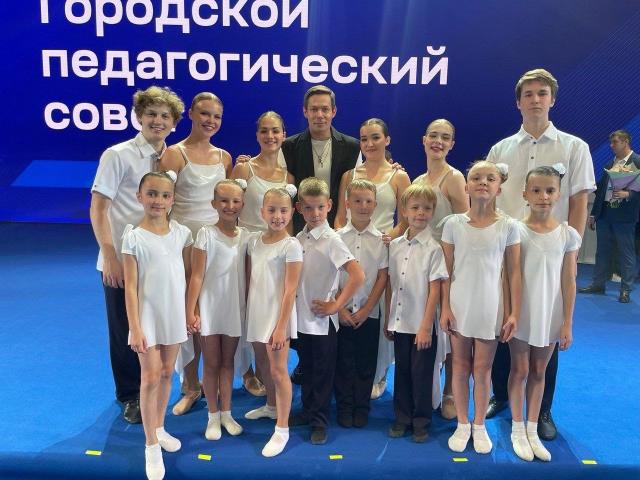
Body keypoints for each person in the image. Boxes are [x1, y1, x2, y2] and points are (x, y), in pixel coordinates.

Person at [486, 68, 596, 441]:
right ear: (518, 102)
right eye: (528, 94)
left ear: (553, 100)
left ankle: (543, 408)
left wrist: (572, 250)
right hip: (507, 253)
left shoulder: (574, 147)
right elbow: (490, 200)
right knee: (506, 324)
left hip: (552, 253)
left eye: (542, 93)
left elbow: (579, 202)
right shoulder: (501, 150)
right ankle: (501, 394)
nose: (535, 99)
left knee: (546, 328)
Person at [89, 86, 184, 424]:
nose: (158, 121)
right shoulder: (117, 155)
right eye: (152, 114)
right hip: (121, 258)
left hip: (159, 260)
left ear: (174, 122)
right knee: (125, 329)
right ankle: (130, 394)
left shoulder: (172, 158)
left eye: (165, 116)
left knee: (156, 325)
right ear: (139, 116)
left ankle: (157, 386)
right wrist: (109, 255)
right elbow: (99, 208)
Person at [159, 92, 236, 415]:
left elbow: (230, 203)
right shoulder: (173, 155)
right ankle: (190, 385)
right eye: (204, 113)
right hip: (183, 245)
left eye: (216, 116)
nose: (210, 121)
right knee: (186, 314)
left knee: (214, 312)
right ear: (190, 113)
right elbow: (162, 204)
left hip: (217, 245)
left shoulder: (225, 158)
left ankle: (218, 378)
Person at [440, 161, 521, 454]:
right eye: (476, 177)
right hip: (460, 304)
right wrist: (445, 307)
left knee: (483, 369)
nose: (483, 182)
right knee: (460, 366)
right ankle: (462, 423)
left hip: (490, 305)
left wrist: (513, 312)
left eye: (490, 178)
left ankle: (479, 424)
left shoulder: (509, 226)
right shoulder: (453, 224)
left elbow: (513, 273)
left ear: (499, 187)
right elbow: (445, 270)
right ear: (467, 186)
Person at [122, 171, 193, 480]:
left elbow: (188, 276)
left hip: (173, 313)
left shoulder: (182, 234)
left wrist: (189, 312)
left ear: (172, 199)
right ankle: (150, 446)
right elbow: (130, 288)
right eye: (151, 194)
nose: (158, 200)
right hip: (147, 316)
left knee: (166, 373)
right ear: (139, 196)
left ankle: (160, 427)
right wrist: (135, 327)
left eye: (165, 195)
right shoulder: (133, 237)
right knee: (150, 376)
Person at [334, 118, 411, 400]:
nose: (369, 143)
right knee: (350, 302)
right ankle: (346, 374)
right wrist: (341, 243)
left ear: (387, 140)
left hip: (383, 248)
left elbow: (405, 219)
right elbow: (340, 216)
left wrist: (385, 238)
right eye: (364, 138)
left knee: (378, 309)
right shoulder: (349, 175)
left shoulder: (399, 176)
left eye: (375, 137)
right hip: (351, 249)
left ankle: (378, 373)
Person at [509, 165, 581, 462]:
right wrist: (511, 313)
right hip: (522, 312)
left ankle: (532, 428)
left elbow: (569, 280)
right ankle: (517, 429)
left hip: (550, 313)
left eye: (550, 190)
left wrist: (567, 322)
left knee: (539, 371)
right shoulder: (515, 230)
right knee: (520, 370)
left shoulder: (568, 234)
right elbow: (510, 274)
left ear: (559, 194)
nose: (543, 196)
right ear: (525, 194)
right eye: (536, 191)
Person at [288, 177, 365, 445]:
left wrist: (336, 305)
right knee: (307, 369)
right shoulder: (298, 238)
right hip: (301, 318)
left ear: (330, 206)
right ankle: (307, 411)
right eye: (309, 208)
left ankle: (320, 421)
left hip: (322, 322)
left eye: (320, 207)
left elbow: (357, 275)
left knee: (322, 373)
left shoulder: (332, 240)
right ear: (299, 208)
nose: (315, 213)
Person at [185, 179, 250, 441]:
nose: (230, 206)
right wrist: (191, 310)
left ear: (242, 205)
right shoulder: (205, 234)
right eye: (224, 200)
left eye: (235, 201)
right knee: (211, 362)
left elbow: (249, 275)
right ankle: (212, 416)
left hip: (234, 308)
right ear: (213, 203)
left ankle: (227, 413)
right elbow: (196, 276)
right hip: (210, 308)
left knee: (227, 362)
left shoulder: (247, 237)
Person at [413, 118, 468, 420]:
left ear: (452, 144)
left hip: (449, 263)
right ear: (423, 140)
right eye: (433, 135)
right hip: (421, 264)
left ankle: (449, 392)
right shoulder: (418, 180)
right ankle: (425, 388)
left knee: (448, 329)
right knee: (427, 326)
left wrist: (456, 266)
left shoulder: (454, 178)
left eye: (445, 137)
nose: (438, 141)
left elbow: (465, 224)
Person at [385, 183, 448, 443]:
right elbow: (391, 284)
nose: (421, 212)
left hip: (421, 324)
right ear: (404, 211)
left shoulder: (434, 248)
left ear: (432, 212)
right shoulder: (395, 246)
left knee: (421, 374)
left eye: (426, 208)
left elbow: (435, 291)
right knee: (402, 371)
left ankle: (421, 420)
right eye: (415, 208)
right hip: (399, 322)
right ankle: (402, 417)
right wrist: (389, 319)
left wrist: (425, 327)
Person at [244, 186, 303, 457]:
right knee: (263, 365)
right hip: (257, 312)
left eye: (283, 210)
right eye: (272, 210)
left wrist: (281, 326)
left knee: (279, 371)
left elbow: (290, 289)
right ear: (262, 212)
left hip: (278, 316)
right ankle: (270, 405)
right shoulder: (254, 241)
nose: (277, 216)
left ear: (291, 212)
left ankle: (282, 428)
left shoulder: (291, 245)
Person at [334, 179, 389, 428]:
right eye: (357, 201)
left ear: (375, 205)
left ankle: (361, 407)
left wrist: (367, 309)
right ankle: (344, 407)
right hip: (342, 312)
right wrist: (340, 307)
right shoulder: (336, 238)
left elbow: (382, 277)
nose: (363, 206)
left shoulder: (381, 240)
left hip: (369, 312)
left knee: (366, 362)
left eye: (368, 201)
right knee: (343, 362)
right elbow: (331, 275)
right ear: (347, 204)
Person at [281, 85, 361, 234]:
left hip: (339, 229)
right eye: (314, 109)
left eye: (325, 109)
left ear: (334, 111)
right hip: (301, 230)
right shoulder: (288, 147)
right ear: (305, 111)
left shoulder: (353, 147)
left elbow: (357, 191)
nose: (319, 115)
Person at [579, 130, 640, 303]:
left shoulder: (637, 161)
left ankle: (625, 289)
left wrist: (629, 195)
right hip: (605, 214)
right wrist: (594, 214)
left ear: (626, 141)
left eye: (615, 142)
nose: (611, 145)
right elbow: (601, 193)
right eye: (611, 142)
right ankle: (598, 284)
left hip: (625, 216)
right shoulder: (609, 163)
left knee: (626, 252)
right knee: (602, 251)